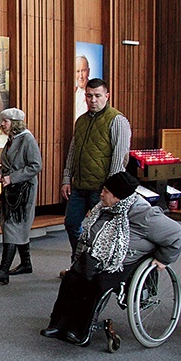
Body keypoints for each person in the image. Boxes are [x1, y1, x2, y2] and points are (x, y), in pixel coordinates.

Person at [41, 171, 181, 345]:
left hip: (124, 260)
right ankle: (58, 324)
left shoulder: (143, 213)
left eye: (106, 191)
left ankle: (80, 330)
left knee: (96, 284)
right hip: (98, 256)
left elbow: (176, 233)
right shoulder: (104, 207)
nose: (101, 194)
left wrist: (163, 259)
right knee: (72, 278)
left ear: (118, 196)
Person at [61, 78, 131, 276]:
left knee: (97, 233)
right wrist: (67, 179)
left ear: (107, 96)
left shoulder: (117, 120)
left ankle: (91, 270)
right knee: (72, 224)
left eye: (98, 96)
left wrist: (110, 190)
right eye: (89, 96)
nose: (93, 100)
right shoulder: (81, 121)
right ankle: (78, 264)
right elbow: (73, 152)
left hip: (101, 190)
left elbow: (119, 159)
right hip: (80, 186)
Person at [0, 108, 42, 284]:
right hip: (12, 190)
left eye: (6, 121)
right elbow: (7, 162)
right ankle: (26, 263)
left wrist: (12, 177)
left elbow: (36, 166)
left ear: (15, 123)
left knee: (12, 226)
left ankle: (3, 270)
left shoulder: (27, 139)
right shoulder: (12, 139)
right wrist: (1, 173)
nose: (2, 124)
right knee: (17, 227)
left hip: (24, 192)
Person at [74, 55, 90, 120]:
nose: (80, 76)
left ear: (88, 71)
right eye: (77, 71)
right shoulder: (72, 92)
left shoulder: (95, 93)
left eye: (83, 71)